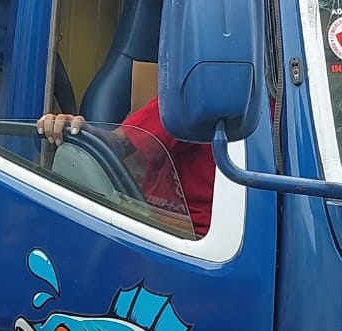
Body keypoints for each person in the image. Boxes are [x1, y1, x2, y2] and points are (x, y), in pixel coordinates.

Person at [38, 96, 216, 235]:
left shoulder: (206, 96)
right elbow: (119, 143)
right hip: (145, 223)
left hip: (188, 242)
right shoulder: (191, 99)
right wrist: (78, 132)